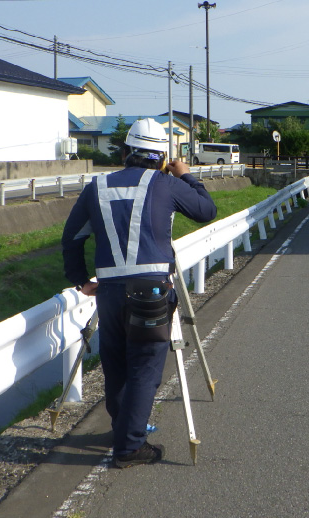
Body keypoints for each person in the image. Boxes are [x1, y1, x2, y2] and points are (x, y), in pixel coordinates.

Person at [61, 118, 217, 468]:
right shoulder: (166, 183)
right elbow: (206, 210)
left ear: (126, 151)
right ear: (162, 157)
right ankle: (130, 447)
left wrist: (80, 280)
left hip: (109, 292)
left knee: (116, 365)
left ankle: (123, 430)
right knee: (145, 367)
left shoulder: (96, 186)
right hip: (152, 292)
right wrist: (187, 176)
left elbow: (72, 238)